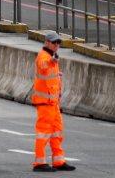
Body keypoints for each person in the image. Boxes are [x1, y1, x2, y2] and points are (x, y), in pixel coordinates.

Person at [32, 31, 75, 172]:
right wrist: (52, 61)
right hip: (45, 102)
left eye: (58, 43)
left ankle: (58, 160)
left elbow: (51, 77)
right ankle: (39, 163)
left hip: (53, 103)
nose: (57, 45)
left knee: (57, 131)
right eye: (54, 42)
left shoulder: (52, 56)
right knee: (43, 132)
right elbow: (43, 66)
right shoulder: (44, 56)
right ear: (47, 42)